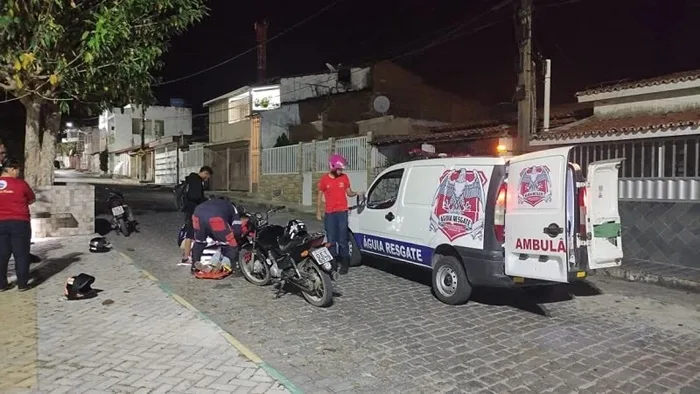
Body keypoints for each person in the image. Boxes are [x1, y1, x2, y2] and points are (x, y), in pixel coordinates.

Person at [316, 154, 363, 275]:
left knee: (343, 238)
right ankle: (333, 262)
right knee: (331, 239)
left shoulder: (344, 178)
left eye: (341, 169)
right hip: (330, 213)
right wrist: (318, 210)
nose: (341, 171)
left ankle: (345, 262)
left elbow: (349, 192)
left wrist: (357, 193)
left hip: (342, 212)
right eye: (339, 168)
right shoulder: (324, 179)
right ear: (332, 167)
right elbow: (319, 195)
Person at [0, 158, 35, 291]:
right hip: (20, 223)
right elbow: (32, 199)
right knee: (21, 254)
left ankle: (2, 285)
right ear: (12, 169)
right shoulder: (21, 184)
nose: (19, 173)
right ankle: (22, 284)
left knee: (1, 254)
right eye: (18, 170)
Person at [191, 197, 249, 277]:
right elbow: (237, 230)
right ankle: (229, 266)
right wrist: (236, 239)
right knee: (231, 245)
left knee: (199, 242)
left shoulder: (215, 203)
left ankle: (194, 265)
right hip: (215, 217)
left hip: (197, 214)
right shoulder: (233, 208)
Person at [180, 166, 212, 265]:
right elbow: (195, 196)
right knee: (191, 233)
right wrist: (205, 200)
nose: (207, 179)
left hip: (188, 209)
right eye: (207, 177)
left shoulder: (191, 179)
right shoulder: (196, 181)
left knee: (190, 232)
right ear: (205, 173)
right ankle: (186, 256)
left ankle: (187, 253)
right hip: (192, 210)